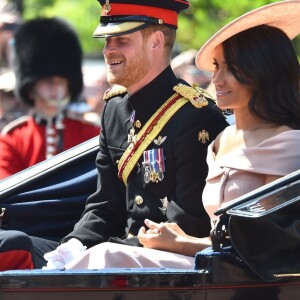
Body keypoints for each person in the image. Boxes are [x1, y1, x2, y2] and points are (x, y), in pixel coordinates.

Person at [57, 0, 300, 271]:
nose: (216, 79)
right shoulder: (224, 140)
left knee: (104, 258)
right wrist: (73, 246)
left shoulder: (283, 144)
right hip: (203, 262)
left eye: (231, 68)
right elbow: (105, 203)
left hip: (239, 275)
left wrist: (182, 243)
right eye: (217, 66)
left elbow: (268, 245)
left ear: (262, 74)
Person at [0, 0, 228, 270]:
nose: (108, 50)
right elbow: (105, 203)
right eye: (107, 40)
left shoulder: (196, 116)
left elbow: (187, 224)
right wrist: (74, 244)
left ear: (156, 41)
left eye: (121, 40)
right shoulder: (115, 107)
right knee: (10, 244)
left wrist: (101, 252)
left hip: (162, 262)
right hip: (118, 251)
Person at [0, 17, 100, 180]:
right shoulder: (14, 139)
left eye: (61, 81)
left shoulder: (90, 134)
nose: (55, 88)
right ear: (31, 89)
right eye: (47, 82)